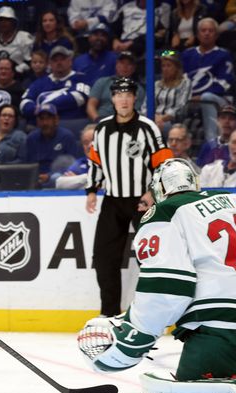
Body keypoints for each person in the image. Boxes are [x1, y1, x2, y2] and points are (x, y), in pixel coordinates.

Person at [77, 159, 236, 393]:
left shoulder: (162, 213)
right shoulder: (232, 202)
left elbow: (167, 287)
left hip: (219, 330)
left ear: (159, 189)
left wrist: (134, 335)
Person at [86, 77, 172, 317]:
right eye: (118, 94)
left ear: (135, 98)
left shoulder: (148, 127)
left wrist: (152, 191)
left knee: (153, 258)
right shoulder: (102, 129)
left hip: (142, 202)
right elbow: (95, 161)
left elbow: (163, 163)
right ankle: (110, 313)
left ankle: (159, 312)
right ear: (112, 99)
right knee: (104, 258)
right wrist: (92, 190)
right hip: (112, 200)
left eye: (128, 94)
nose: (123, 99)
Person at [181, 18, 235, 143]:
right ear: (197, 34)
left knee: (206, 97)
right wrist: (168, 51)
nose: (206, 33)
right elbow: (167, 53)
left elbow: (225, 83)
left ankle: (211, 143)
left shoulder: (223, 54)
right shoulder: (187, 53)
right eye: (203, 30)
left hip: (218, 99)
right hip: (190, 98)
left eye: (210, 31)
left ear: (216, 35)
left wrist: (199, 96)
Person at [20, 44, 90, 122]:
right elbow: (24, 103)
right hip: (40, 125)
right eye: (55, 60)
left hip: (70, 123)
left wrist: (44, 108)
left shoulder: (80, 78)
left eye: (62, 59)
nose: (59, 63)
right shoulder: (39, 82)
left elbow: (79, 97)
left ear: (70, 61)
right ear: (50, 64)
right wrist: (37, 109)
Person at [27, 104, 81, 187]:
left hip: (60, 181)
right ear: (37, 122)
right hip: (36, 182)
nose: (45, 123)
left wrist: (49, 176)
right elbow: (28, 165)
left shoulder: (67, 137)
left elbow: (74, 166)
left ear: (56, 120)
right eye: (42, 119)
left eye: (48, 118)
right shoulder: (32, 138)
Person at [87, 52, 146, 121]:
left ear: (134, 68)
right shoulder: (102, 82)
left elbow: (136, 113)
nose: (125, 66)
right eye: (122, 63)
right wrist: (97, 120)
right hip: (100, 120)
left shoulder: (139, 89)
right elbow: (91, 105)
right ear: (116, 65)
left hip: (125, 124)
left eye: (129, 64)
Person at [0, 6, 35, 76]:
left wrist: (14, 72)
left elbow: (29, 62)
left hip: (19, 77)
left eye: (7, 20)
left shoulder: (24, 37)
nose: (3, 23)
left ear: (13, 22)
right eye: (1, 20)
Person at [153, 49, 192, 133]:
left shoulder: (185, 83)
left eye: (169, 65)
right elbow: (146, 106)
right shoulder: (156, 84)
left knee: (157, 127)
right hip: (153, 118)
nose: (165, 69)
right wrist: (152, 117)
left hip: (173, 122)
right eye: (163, 66)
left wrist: (162, 118)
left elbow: (181, 107)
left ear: (177, 68)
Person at [50, 123, 96, 189]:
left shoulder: (113, 161)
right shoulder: (80, 163)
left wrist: (77, 180)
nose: (89, 146)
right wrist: (88, 179)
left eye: (93, 140)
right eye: (86, 143)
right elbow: (60, 183)